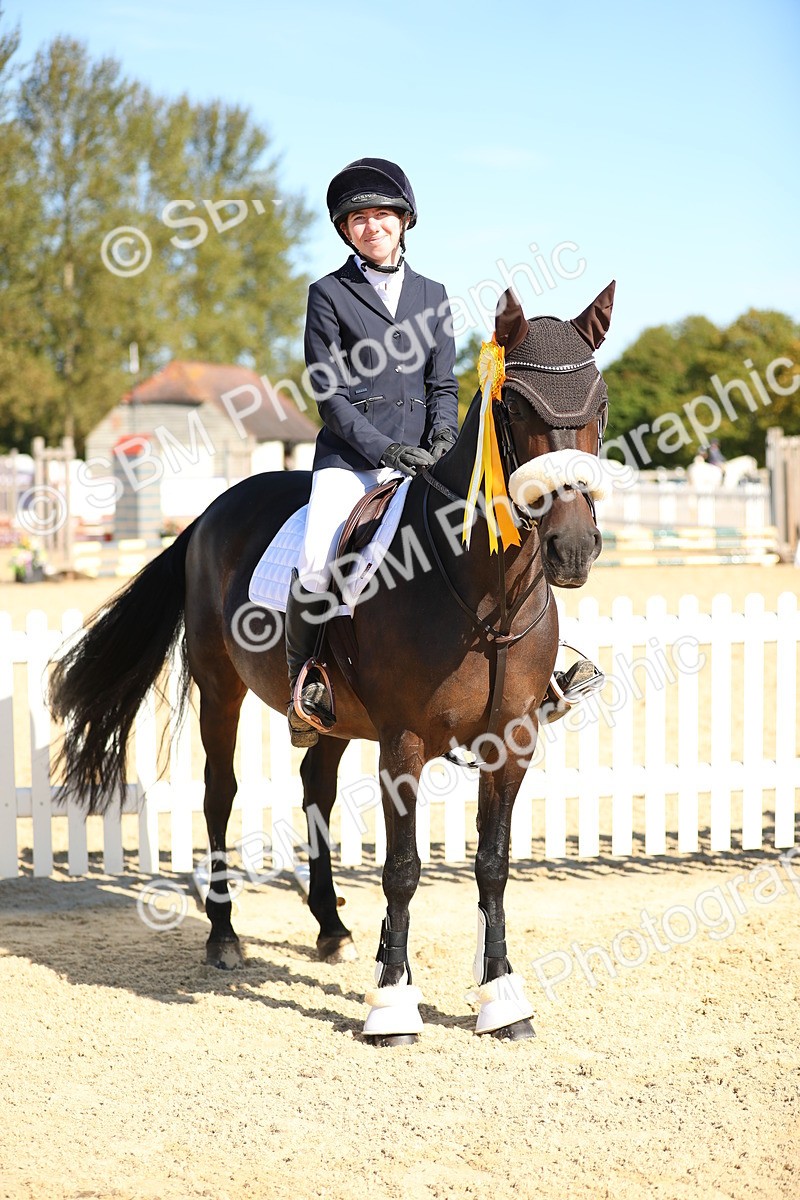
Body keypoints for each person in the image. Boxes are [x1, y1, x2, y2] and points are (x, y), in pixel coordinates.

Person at [285, 157, 459, 744]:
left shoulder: (433, 294)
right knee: (315, 558)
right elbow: (328, 394)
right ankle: (304, 687)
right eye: (358, 218)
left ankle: (538, 675)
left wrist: (443, 439)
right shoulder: (328, 294)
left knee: (498, 532)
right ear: (345, 230)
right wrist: (386, 449)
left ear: (405, 221)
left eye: (383, 214)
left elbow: (443, 384)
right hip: (352, 460)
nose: (371, 225)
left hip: (426, 459)